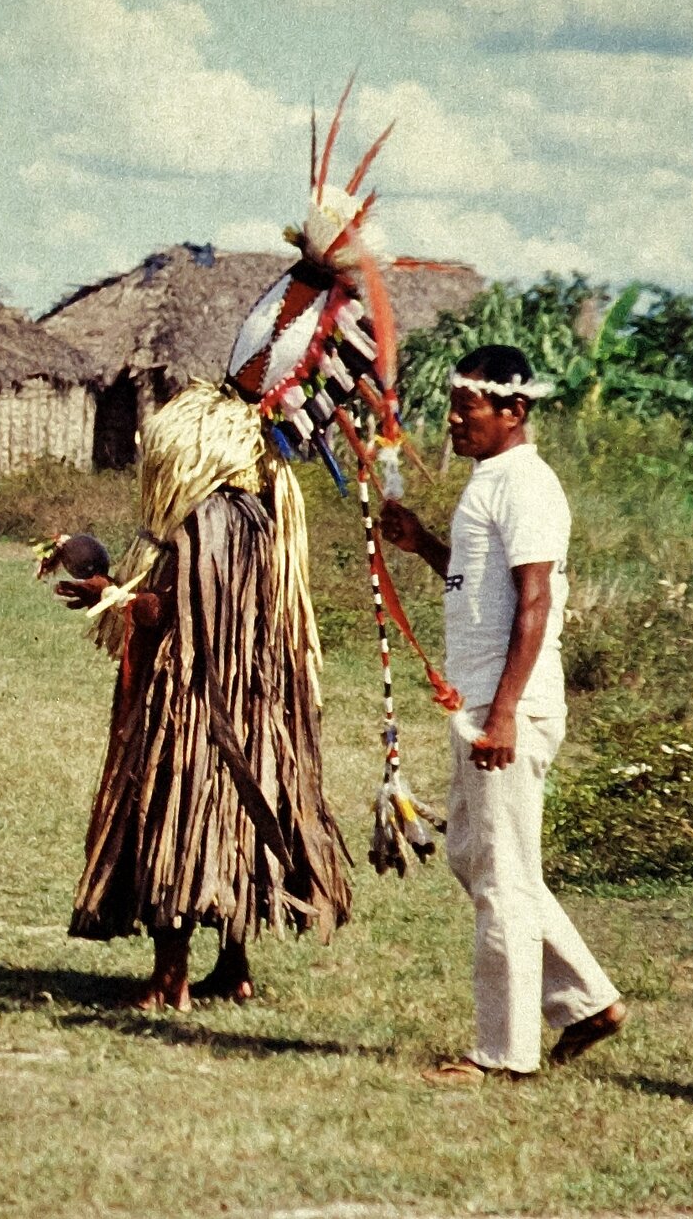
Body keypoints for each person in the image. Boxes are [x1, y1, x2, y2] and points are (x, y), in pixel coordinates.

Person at [56, 383, 353, 1010]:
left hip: (194, 701)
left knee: (172, 811)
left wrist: (112, 597)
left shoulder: (206, 519)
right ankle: (235, 967)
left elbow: (178, 610)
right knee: (233, 821)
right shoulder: (255, 512)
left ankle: (170, 979)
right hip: (251, 701)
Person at [380, 345, 626, 1084]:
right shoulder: (491, 482)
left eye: (468, 409)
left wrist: (507, 713)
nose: (453, 421)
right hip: (486, 698)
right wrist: (422, 542)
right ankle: (587, 1000)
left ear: (514, 411)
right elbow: (476, 584)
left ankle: (504, 1054)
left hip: (505, 704)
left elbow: (536, 602)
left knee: (503, 881)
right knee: (478, 858)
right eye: (452, 406)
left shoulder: (527, 484)